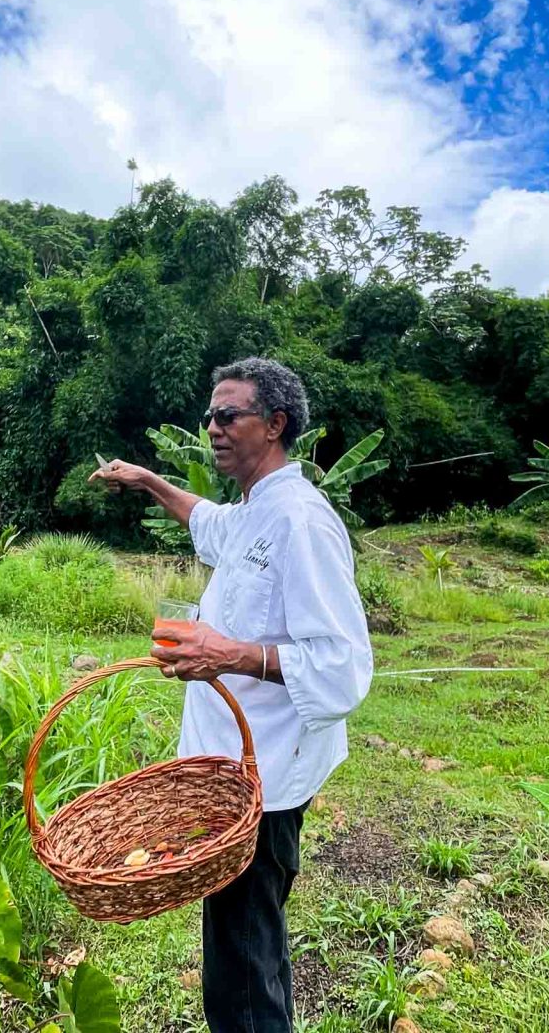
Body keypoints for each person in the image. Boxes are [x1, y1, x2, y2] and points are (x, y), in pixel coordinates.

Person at [90, 357, 373, 1033]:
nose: (212, 428)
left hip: (267, 778)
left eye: (228, 416)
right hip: (233, 774)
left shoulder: (300, 522)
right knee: (239, 952)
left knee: (245, 967)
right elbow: (207, 520)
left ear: (274, 424)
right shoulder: (253, 509)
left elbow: (343, 664)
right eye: (209, 416)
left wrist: (230, 654)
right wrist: (148, 481)